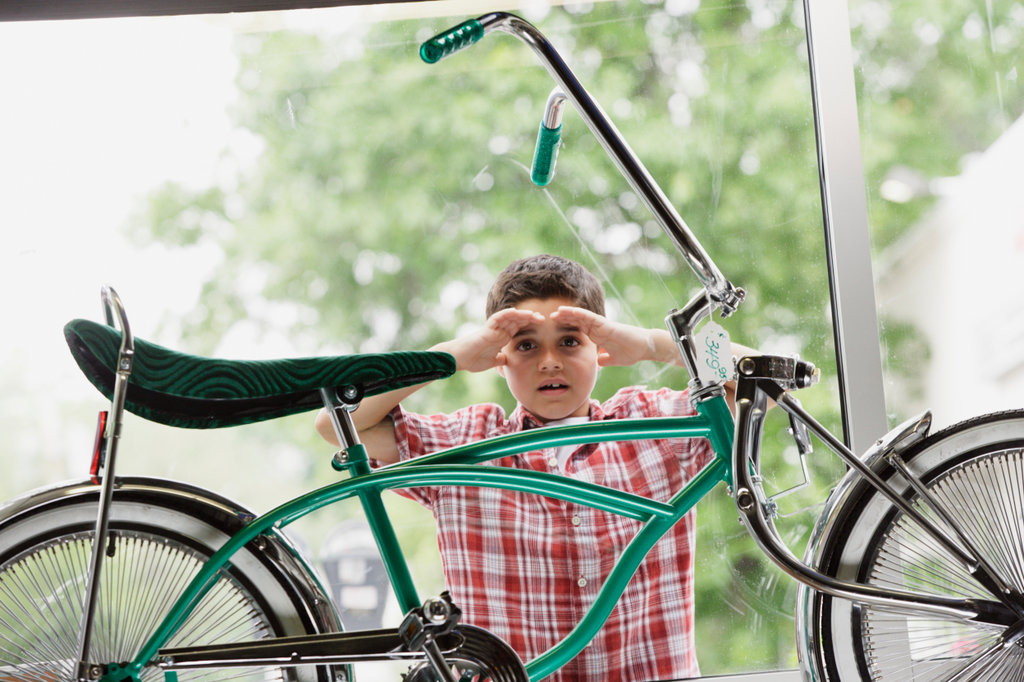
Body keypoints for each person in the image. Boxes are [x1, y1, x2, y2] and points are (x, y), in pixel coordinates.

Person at [315, 254, 731, 681]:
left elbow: (763, 381)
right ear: (500, 358)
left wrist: (650, 345)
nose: (549, 361)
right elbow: (335, 423)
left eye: (569, 341)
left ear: (600, 348)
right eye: (526, 344)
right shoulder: (467, 443)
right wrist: (452, 357)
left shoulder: (654, 426)